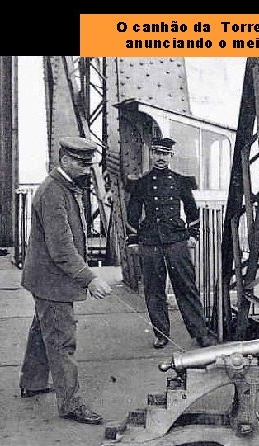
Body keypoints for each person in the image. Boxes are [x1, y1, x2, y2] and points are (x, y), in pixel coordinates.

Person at [19, 136, 113, 425]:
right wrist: (90, 278)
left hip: (44, 279)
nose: (87, 170)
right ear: (65, 160)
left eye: (89, 164)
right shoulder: (53, 193)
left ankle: (32, 382)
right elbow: (61, 249)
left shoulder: (60, 187)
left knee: (42, 330)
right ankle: (71, 405)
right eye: (82, 164)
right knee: (62, 341)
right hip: (52, 281)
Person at [126, 137, 218, 349]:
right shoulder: (142, 184)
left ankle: (200, 333)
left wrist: (193, 234)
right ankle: (160, 334)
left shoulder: (180, 181)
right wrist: (133, 239)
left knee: (186, 287)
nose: (160, 158)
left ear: (171, 156)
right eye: (157, 153)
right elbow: (132, 214)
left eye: (165, 154)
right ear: (151, 155)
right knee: (153, 289)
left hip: (176, 241)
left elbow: (192, 210)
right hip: (150, 242)